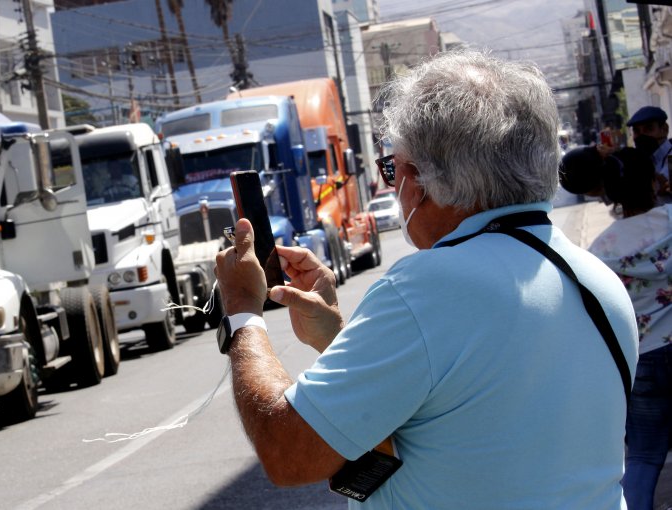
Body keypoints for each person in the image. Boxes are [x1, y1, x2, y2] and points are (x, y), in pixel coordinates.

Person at [213, 49, 638, 509]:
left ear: (417, 179)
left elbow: (287, 452)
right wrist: (335, 337)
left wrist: (242, 315)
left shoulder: (430, 286)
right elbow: (476, 413)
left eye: (391, 169)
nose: (395, 187)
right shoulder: (596, 277)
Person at [562, 145, 672, 510]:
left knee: (642, 455)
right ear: (654, 182)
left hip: (643, 362)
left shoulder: (599, 250)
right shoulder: (671, 221)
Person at [627, 106, 672, 202]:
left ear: (664, 129)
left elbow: (662, 183)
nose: (642, 136)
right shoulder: (642, 159)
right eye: (636, 131)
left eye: (648, 129)